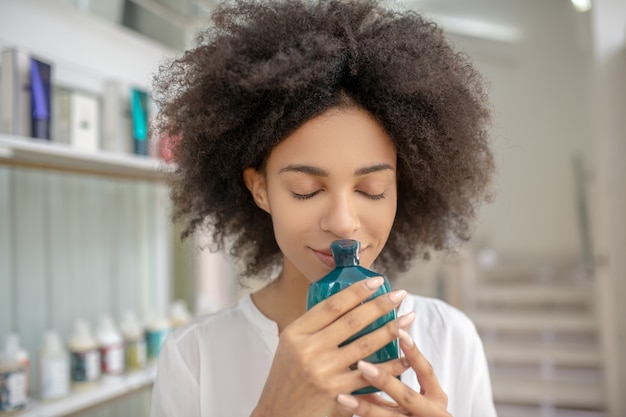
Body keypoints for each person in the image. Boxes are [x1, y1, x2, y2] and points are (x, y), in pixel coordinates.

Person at [150, 0, 496, 415]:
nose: (343, 224)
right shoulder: (195, 356)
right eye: (306, 189)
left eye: (371, 189)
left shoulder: (451, 337)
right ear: (259, 189)